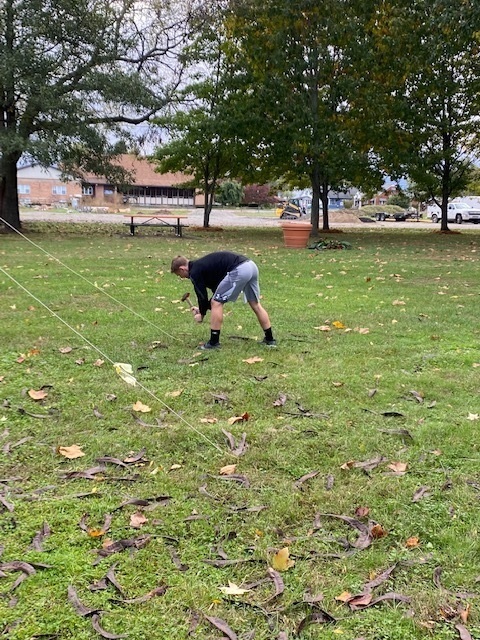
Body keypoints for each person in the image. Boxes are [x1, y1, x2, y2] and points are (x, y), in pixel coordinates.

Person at [171, 251, 276, 350]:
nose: (182, 277)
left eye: (179, 275)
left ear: (182, 269)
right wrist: (203, 309)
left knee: (216, 303)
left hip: (239, 269)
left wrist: (201, 315)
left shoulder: (194, 272)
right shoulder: (203, 266)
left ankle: (213, 342)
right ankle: (270, 340)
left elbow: (202, 295)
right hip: (251, 266)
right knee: (255, 304)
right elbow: (216, 292)